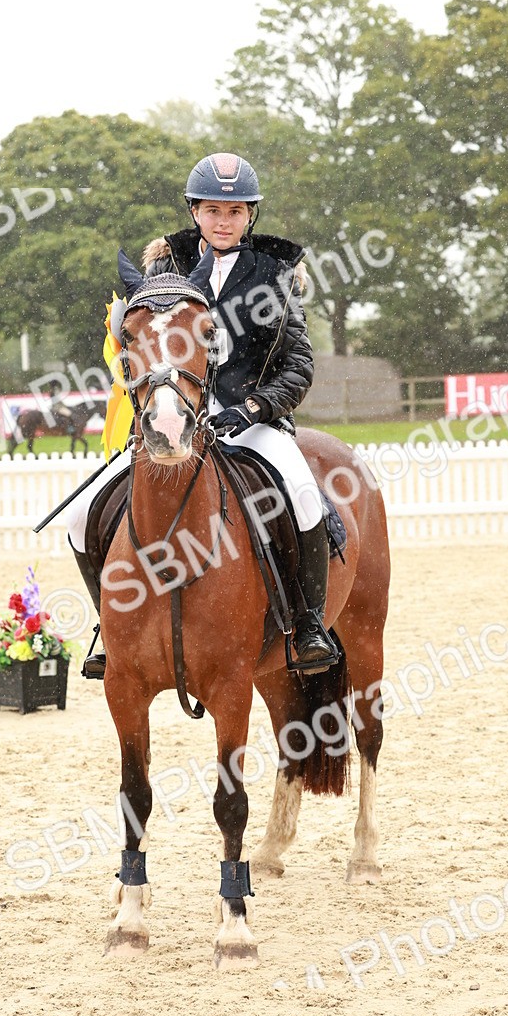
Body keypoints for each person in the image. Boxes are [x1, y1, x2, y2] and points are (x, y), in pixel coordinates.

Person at [68, 152, 336, 674]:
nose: (223, 221)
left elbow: (298, 366)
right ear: (194, 211)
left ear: (250, 216)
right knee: (81, 516)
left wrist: (254, 407)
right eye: (212, 210)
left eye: (235, 212)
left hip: (251, 421)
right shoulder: (163, 268)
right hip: (171, 414)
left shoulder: (275, 274)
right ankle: (108, 624)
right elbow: (138, 345)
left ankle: (308, 624)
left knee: (305, 498)